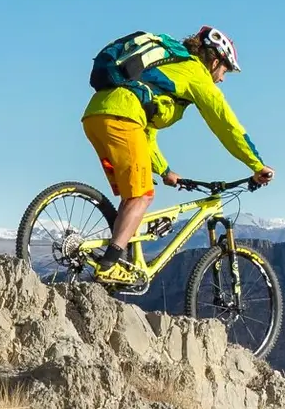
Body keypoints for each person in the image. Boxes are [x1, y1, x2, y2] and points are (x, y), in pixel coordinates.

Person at [80, 26, 274, 284]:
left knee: (132, 195)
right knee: (142, 195)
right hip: (121, 118)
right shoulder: (195, 73)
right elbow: (226, 125)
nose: (223, 79)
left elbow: (146, 130)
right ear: (215, 61)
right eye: (225, 70)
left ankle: (118, 261)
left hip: (98, 116)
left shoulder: (171, 68)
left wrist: (164, 170)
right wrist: (256, 164)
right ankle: (108, 265)